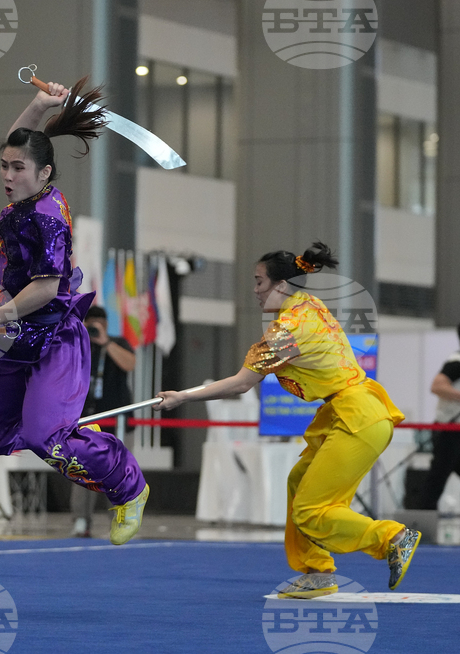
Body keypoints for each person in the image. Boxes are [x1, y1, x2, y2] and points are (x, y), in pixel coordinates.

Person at [154, 242, 420, 597]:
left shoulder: (287, 331)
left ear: (281, 286)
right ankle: (317, 572)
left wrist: (182, 397)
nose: (255, 291)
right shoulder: (309, 304)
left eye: (259, 282)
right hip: (354, 411)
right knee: (299, 480)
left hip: (358, 417)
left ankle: (394, 537)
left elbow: (241, 383)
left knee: (311, 511)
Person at [0, 78, 150, 546]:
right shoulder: (22, 198)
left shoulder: (46, 217)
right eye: (4, 166)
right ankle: (43, 423)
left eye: (18, 169)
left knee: (51, 440)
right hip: (14, 330)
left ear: (44, 174)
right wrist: (39, 104)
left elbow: (46, 288)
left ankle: (128, 486)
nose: (7, 175)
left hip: (51, 334)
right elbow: (16, 144)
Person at [71, 305, 137, 537]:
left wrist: (106, 342)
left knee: (118, 473)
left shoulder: (118, 342)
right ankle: (81, 520)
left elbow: (129, 364)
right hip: (86, 419)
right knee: (82, 471)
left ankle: (120, 521)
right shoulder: (79, 344)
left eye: (99, 324)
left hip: (118, 419)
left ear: (107, 324)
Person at [419, 326, 460, 510]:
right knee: (437, 479)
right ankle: (416, 529)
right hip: (448, 430)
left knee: (437, 478)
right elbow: (437, 386)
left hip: (455, 430)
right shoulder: (456, 361)